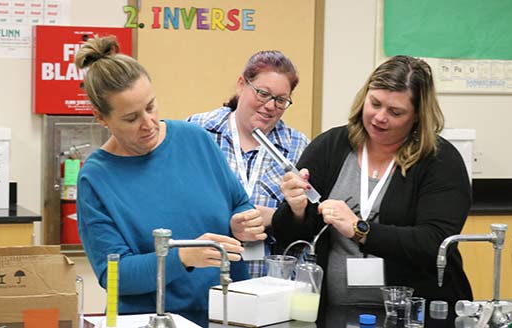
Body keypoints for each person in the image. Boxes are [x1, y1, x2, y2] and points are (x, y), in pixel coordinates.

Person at [74, 36, 267, 315]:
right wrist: (183, 257)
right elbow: (114, 275)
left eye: (151, 106)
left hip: (226, 313)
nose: (148, 123)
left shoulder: (195, 139)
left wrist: (242, 223)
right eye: (131, 118)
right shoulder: (96, 178)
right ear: (101, 118)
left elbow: (239, 203)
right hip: (152, 318)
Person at [272, 56, 473, 314]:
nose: (379, 117)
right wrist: (296, 209)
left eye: (395, 112)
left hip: (413, 313)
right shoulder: (330, 146)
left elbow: (434, 243)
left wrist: (360, 229)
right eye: (374, 103)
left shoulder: (440, 160)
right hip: (334, 311)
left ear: (417, 117)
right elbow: (292, 236)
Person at [187, 50, 310, 278]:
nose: (270, 106)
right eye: (263, 93)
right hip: (206, 279)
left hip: (270, 284)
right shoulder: (198, 131)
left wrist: (275, 218)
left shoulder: (298, 145)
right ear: (241, 84)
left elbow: (307, 227)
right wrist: (228, 223)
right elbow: (180, 207)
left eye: (281, 100)